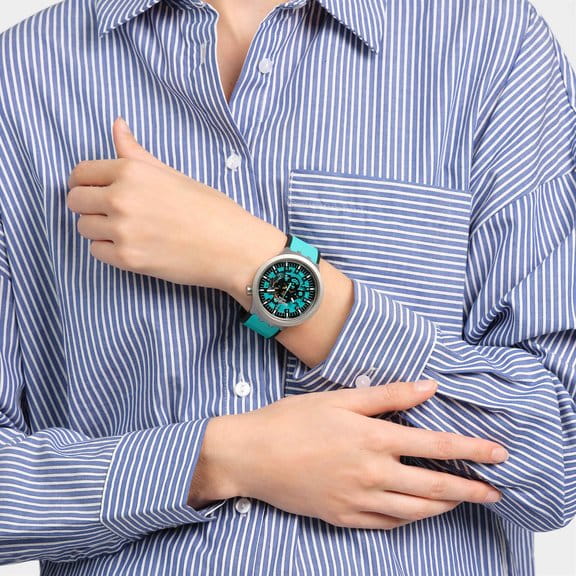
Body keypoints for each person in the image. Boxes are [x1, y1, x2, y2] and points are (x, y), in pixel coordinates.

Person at [0, 0, 574, 573]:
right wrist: (215, 462)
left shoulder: (490, 45)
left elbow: (561, 457)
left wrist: (252, 261)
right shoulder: (25, 75)